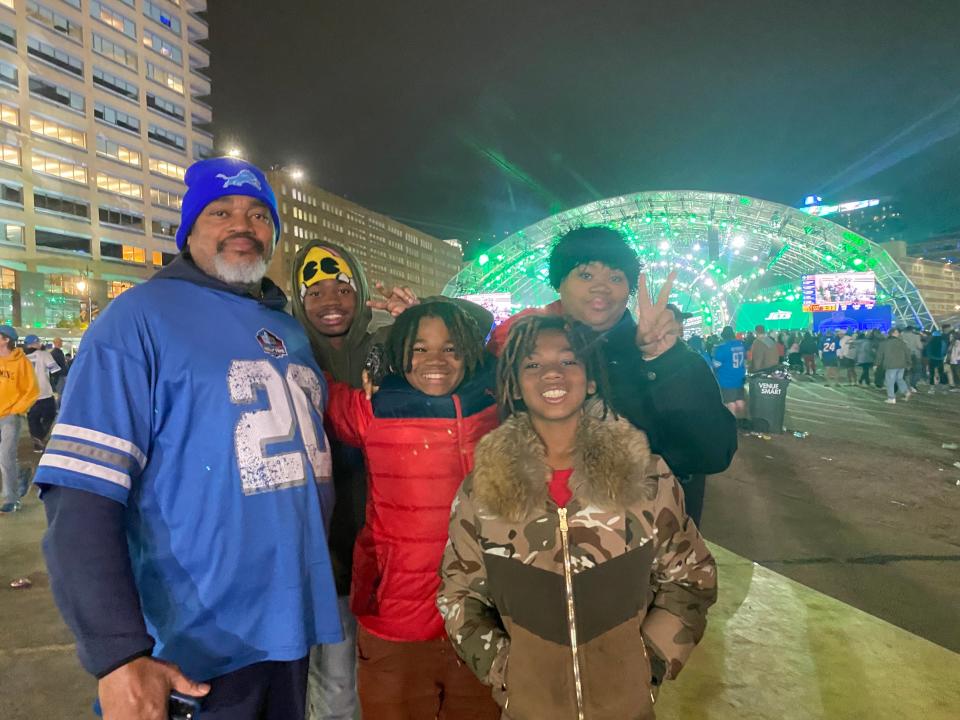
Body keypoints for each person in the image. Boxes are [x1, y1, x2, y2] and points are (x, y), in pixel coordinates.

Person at [35, 158, 342, 720]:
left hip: (288, 632)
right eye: (219, 212)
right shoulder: (138, 319)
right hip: (190, 648)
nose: (241, 224)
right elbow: (80, 494)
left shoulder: (288, 330)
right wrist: (118, 652)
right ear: (189, 231)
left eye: (256, 213)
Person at [437, 314, 717, 719]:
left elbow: (691, 580)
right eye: (532, 364)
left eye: (569, 361)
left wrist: (649, 663)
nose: (552, 373)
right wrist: (507, 673)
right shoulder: (483, 492)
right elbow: (460, 594)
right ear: (514, 385)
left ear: (590, 380)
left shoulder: (645, 476)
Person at [323, 299, 500, 720]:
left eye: (451, 348)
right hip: (395, 625)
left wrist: (429, 306)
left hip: (479, 623)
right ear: (400, 353)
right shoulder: (372, 410)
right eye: (419, 348)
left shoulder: (493, 407)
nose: (435, 360)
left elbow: (517, 333)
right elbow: (313, 384)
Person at [289, 240, 387, 720]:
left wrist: (422, 313)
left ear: (362, 292)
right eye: (316, 292)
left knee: (389, 675)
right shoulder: (283, 352)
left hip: (391, 545)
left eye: (343, 288)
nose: (330, 302)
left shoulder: (391, 346)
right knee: (334, 679)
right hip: (319, 549)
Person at [0, 325, 39, 513]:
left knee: (5, 455)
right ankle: (21, 474)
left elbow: (32, 390)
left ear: (6, 339)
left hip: (10, 416)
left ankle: (11, 498)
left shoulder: (21, 362)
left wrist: (17, 409)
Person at [23, 335, 60, 452]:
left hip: (29, 395)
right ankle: (41, 437)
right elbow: (55, 370)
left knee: (33, 419)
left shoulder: (22, 357)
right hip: (44, 392)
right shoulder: (44, 354)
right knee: (50, 415)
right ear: (35, 343)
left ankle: (38, 443)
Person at [712, 326, 747, 422]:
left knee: (730, 403)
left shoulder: (722, 348)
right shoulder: (740, 345)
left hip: (726, 379)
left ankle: (732, 424)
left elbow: (716, 364)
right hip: (739, 377)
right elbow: (745, 359)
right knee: (740, 401)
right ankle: (742, 420)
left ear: (723, 336)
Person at [875, 327, 912, 404]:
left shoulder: (884, 343)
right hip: (902, 364)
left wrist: (876, 364)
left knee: (890, 381)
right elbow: (907, 353)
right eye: (897, 332)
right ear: (894, 333)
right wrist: (909, 363)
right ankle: (906, 392)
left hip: (890, 365)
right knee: (900, 379)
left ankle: (891, 398)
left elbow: (879, 355)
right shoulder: (902, 343)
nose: (898, 334)